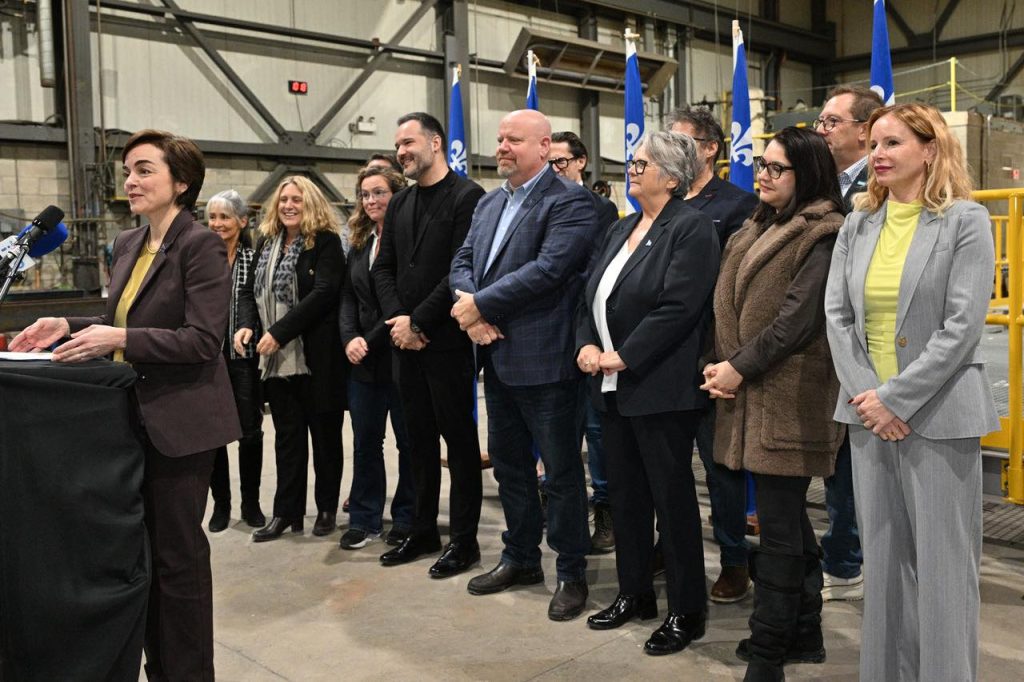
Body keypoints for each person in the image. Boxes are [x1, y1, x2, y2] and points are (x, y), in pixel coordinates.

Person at [11, 129, 240, 680]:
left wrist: (117, 338)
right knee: (141, 558)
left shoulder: (200, 244)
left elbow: (201, 340)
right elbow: (124, 319)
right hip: (126, 421)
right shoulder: (128, 242)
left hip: (180, 425)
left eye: (144, 170)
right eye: (128, 171)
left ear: (181, 182)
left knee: (177, 560)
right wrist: (69, 324)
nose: (130, 181)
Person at [825, 103, 997, 682]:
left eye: (893, 142)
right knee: (883, 566)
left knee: (946, 572)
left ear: (929, 149)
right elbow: (837, 318)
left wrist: (895, 399)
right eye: (874, 143)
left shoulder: (966, 220)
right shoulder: (857, 224)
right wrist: (870, 400)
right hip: (867, 417)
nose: (878, 154)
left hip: (939, 416)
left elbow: (962, 326)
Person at [701, 127, 847, 680]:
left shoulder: (825, 232)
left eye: (776, 167)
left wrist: (736, 368)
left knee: (780, 531)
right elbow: (726, 306)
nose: (761, 174)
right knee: (790, 524)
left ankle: (768, 653)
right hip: (748, 392)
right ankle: (804, 633)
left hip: (789, 398)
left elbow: (797, 322)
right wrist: (717, 364)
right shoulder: (758, 225)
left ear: (806, 173)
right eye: (762, 164)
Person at [450, 109, 600, 621]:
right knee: (510, 466)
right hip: (495, 356)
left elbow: (549, 269)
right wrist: (472, 314)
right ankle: (521, 558)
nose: (502, 147)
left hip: (546, 362)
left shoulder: (571, 202)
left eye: (513, 139)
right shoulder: (490, 203)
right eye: (499, 139)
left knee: (560, 474)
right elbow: (462, 261)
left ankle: (571, 572)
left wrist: (479, 306)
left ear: (544, 147)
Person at [577, 130, 718, 653]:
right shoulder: (622, 227)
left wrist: (625, 354)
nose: (631, 170)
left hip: (660, 388)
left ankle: (686, 609)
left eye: (641, 164)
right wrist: (586, 344)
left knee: (671, 502)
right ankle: (634, 593)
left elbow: (679, 306)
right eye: (633, 163)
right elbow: (591, 295)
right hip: (612, 387)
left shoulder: (691, 227)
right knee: (627, 498)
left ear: (672, 177)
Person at [372, 112, 486, 578]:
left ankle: (464, 541)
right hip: (405, 344)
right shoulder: (399, 203)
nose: (401, 151)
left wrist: (418, 321)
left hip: (447, 343)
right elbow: (384, 268)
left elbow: (461, 270)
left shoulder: (467, 197)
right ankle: (422, 530)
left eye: (409, 142)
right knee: (416, 442)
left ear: (435, 143)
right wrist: (399, 321)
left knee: (458, 444)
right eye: (398, 144)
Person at [667, 105, 759, 602]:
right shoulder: (662, 199)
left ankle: (733, 559)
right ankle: (669, 547)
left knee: (721, 469)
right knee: (667, 467)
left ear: (709, 149)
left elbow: (737, 285)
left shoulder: (739, 205)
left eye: (679, 141)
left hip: (712, 356)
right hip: (662, 355)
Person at [237, 176, 347, 542]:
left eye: (296, 199)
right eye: (283, 199)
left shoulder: (325, 242)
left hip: (317, 359)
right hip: (278, 362)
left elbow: (325, 292)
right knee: (287, 440)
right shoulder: (267, 242)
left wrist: (279, 332)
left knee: (325, 440)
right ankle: (287, 513)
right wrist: (247, 325)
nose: (288, 205)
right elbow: (250, 292)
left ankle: (326, 509)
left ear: (310, 203)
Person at [813, 84, 884, 601]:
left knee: (855, 461)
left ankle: (848, 562)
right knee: (838, 461)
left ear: (864, 129)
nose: (822, 130)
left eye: (831, 121)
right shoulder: (822, 184)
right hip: (821, 340)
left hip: (864, 342)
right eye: (820, 121)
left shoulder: (878, 189)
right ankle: (844, 556)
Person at [548, 130, 619, 553]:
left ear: (581, 162)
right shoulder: (537, 203)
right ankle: (560, 508)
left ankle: (605, 510)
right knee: (556, 432)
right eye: (549, 162)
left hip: (588, 333)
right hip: (548, 335)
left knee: (597, 432)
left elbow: (596, 272)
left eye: (561, 161)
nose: (555, 169)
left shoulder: (600, 209)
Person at [338, 166, 415, 550]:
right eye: (365, 194)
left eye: (379, 192)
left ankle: (407, 517)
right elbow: (348, 297)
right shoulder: (360, 241)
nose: (371, 201)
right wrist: (349, 338)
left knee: (409, 444)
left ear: (396, 195)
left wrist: (366, 341)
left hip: (400, 357)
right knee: (365, 444)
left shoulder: (408, 242)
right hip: (363, 363)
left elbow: (400, 302)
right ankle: (364, 518)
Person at [204, 189, 266, 533]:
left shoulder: (253, 259)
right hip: (208, 358)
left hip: (244, 357)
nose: (217, 224)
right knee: (214, 435)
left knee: (250, 432)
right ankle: (222, 505)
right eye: (212, 217)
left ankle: (251, 504)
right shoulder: (199, 259)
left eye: (224, 217)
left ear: (242, 221)